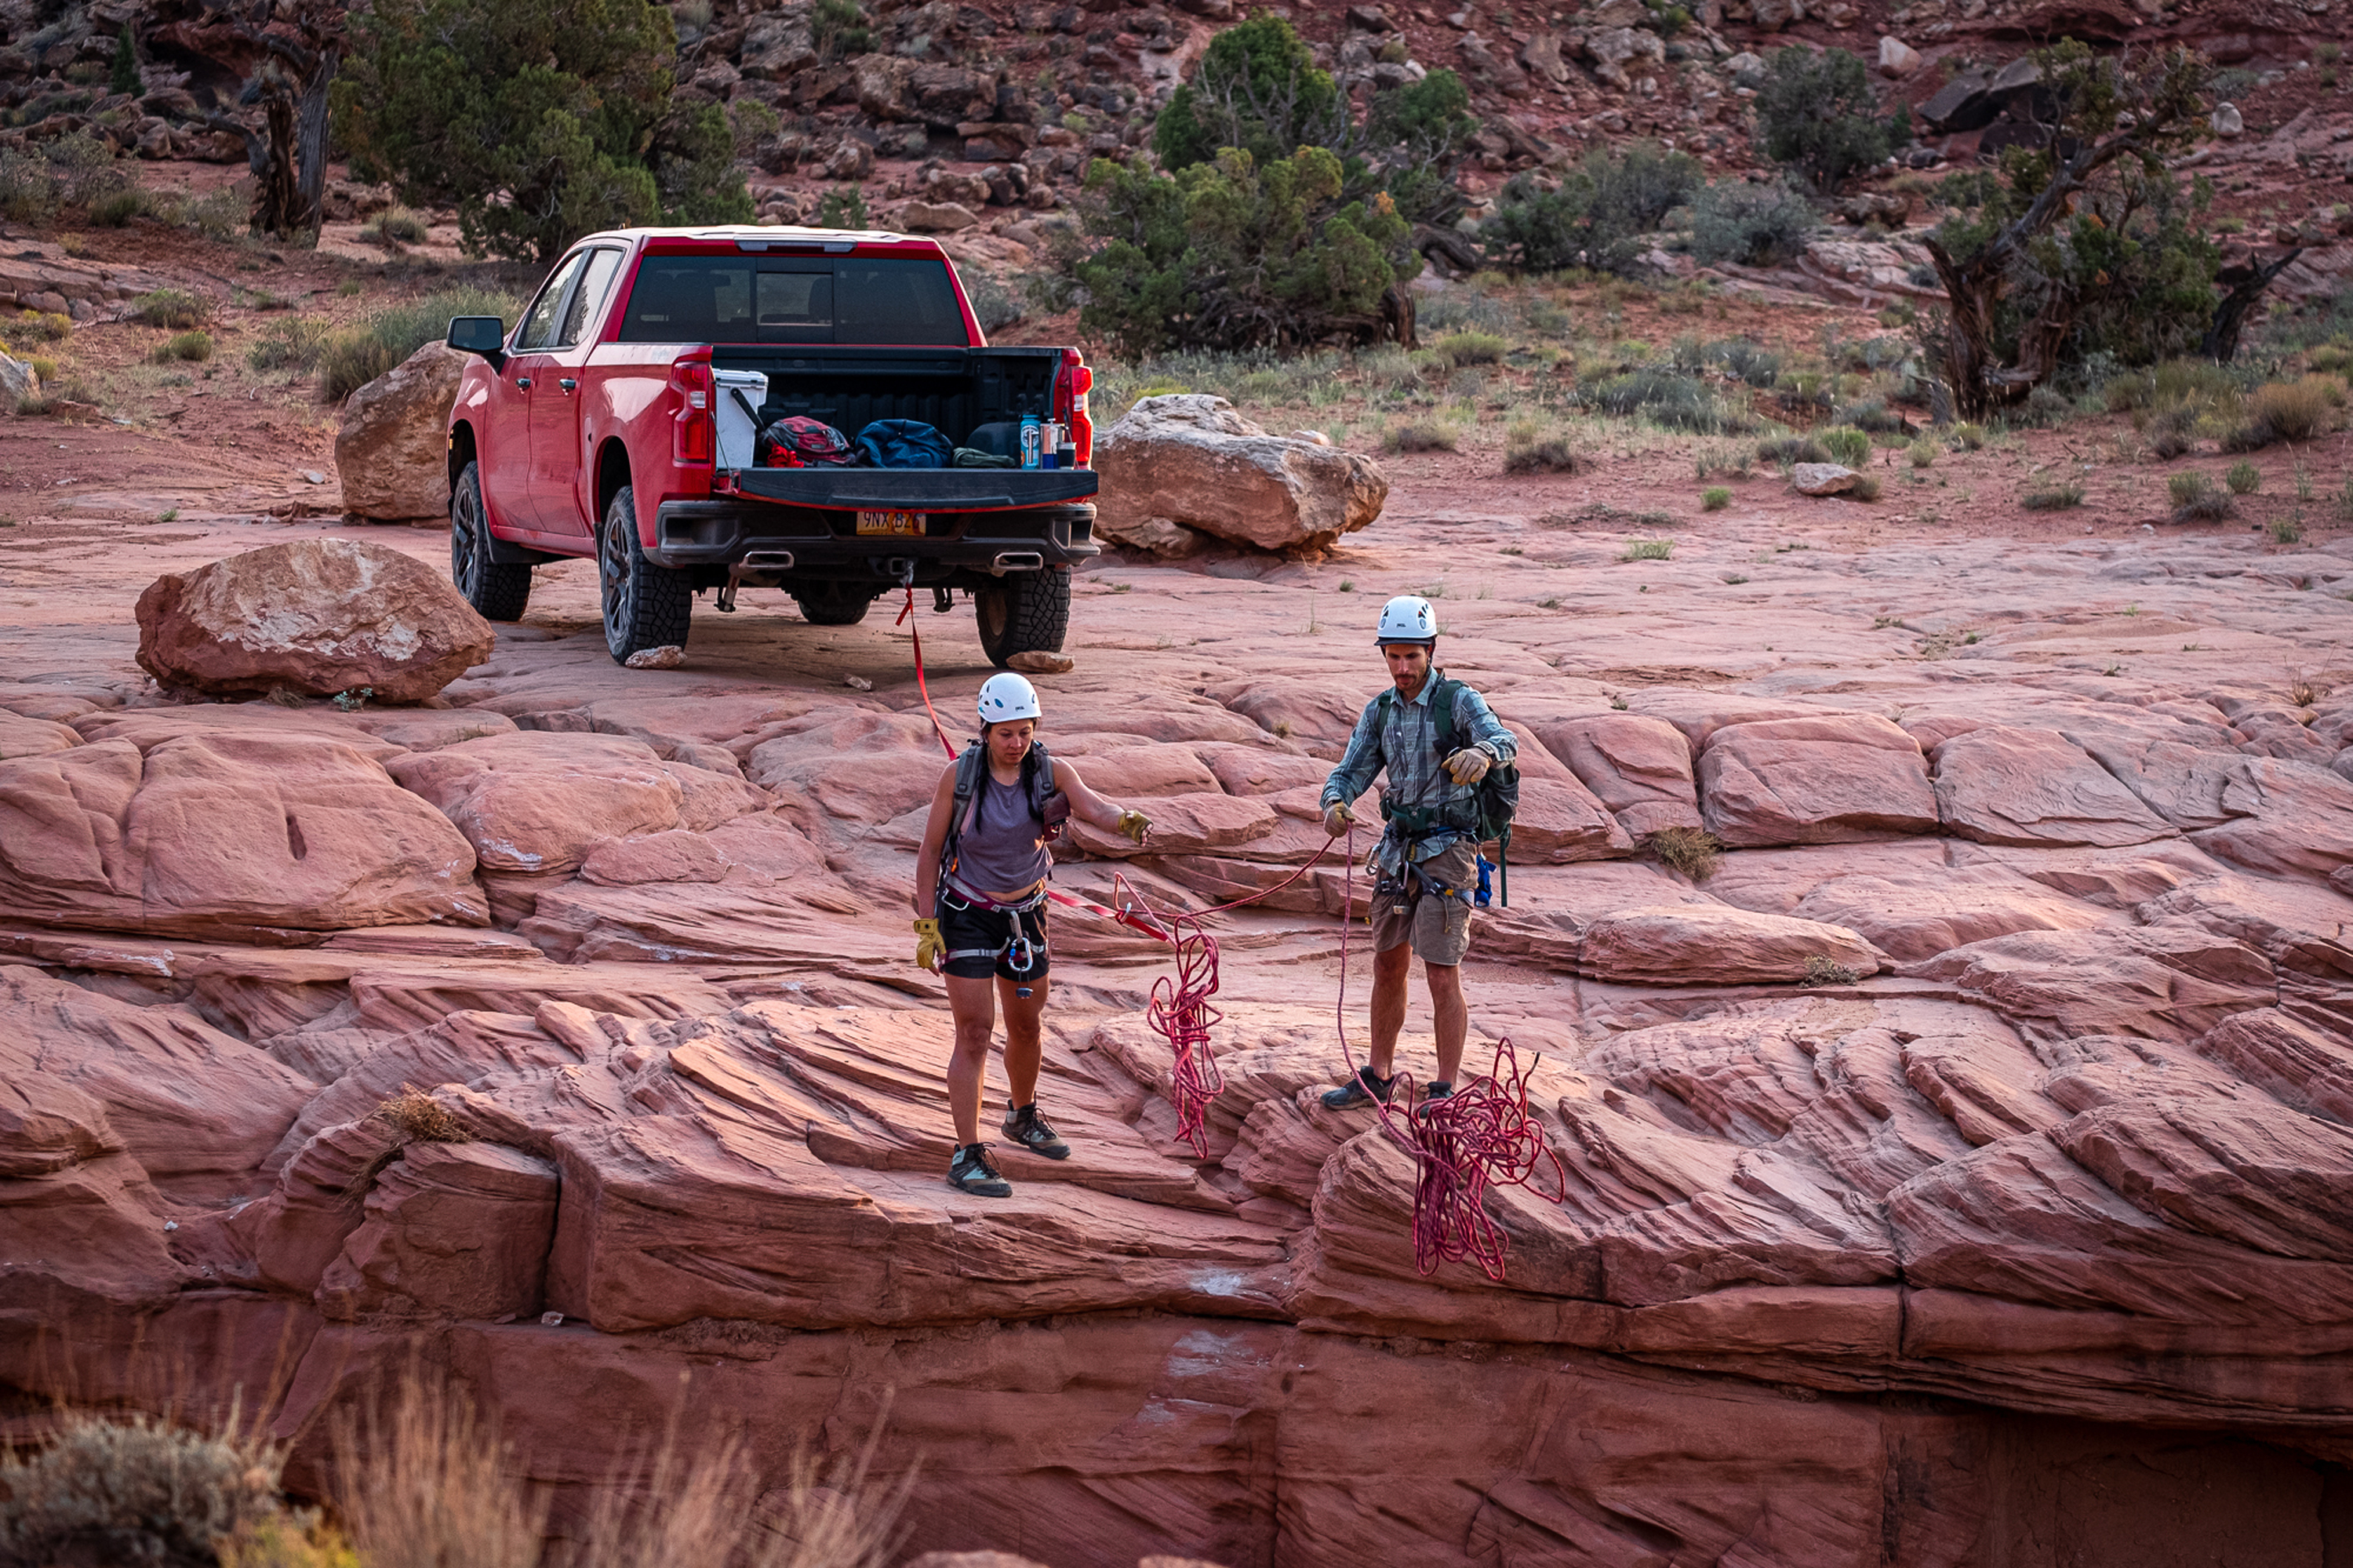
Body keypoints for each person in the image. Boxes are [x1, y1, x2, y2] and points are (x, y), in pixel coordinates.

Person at [913, 671, 1151, 1196]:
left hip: (1027, 915)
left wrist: (1126, 821)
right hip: (967, 913)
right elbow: (929, 851)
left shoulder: (1049, 771)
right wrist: (927, 924)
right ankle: (967, 1154)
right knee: (975, 1032)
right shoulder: (960, 777)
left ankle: (1022, 1115)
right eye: (1005, 733)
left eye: (1025, 731)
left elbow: (1093, 806)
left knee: (1027, 1026)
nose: (1016, 742)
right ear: (985, 730)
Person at [1317, 595, 1517, 1111]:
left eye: (1411, 656)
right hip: (1397, 853)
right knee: (1388, 964)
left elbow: (1504, 739)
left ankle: (1445, 1088)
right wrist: (1334, 803)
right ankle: (1378, 1077)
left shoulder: (1458, 701)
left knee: (1441, 970)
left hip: (1449, 852)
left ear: (1430, 650)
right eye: (1393, 656)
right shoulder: (1380, 711)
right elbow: (1350, 771)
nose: (1402, 667)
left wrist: (1482, 752)